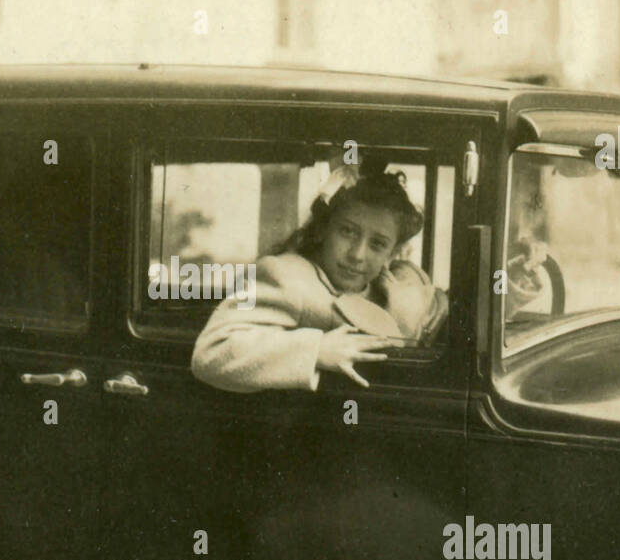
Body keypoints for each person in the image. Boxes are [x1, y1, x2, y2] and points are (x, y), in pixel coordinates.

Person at [190, 156, 447, 393]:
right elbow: (212, 351)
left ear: (393, 253)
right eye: (347, 231)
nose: (357, 254)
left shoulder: (399, 284)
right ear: (323, 229)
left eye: (377, 244)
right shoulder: (286, 277)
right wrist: (316, 350)